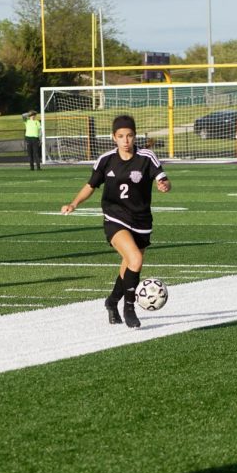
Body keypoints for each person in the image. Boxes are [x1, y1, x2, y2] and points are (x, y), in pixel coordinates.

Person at [61, 114, 171, 329]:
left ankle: (111, 302)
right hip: (115, 217)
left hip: (141, 220)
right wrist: (74, 203)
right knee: (136, 259)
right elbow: (90, 185)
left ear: (135, 136)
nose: (126, 140)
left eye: (129, 135)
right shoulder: (106, 159)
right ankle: (128, 308)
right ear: (114, 137)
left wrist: (164, 185)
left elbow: (163, 179)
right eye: (121, 136)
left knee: (129, 265)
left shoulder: (147, 157)